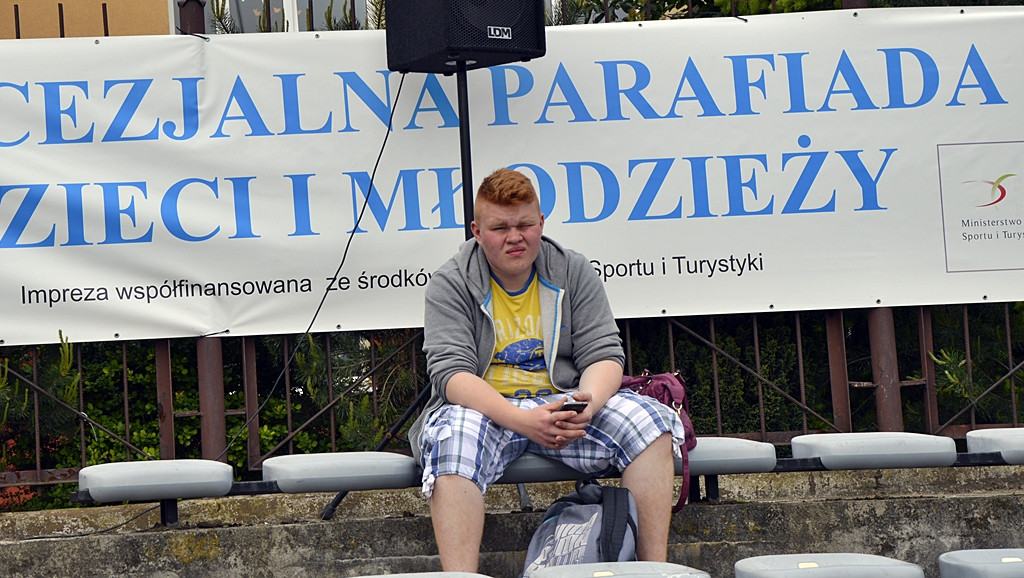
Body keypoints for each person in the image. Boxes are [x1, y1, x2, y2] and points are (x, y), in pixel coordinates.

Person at [408, 167, 686, 572]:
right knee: (455, 438)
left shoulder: (572, 270)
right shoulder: (450, 282)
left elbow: (604, 355)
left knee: (649, 423)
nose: (514, 236)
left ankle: (649, 570)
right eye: (499, 227)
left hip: (561, 404)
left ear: (541, 223)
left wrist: (586, 404)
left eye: (524, 224)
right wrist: (522, 420)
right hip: (488, 409)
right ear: (476, 231)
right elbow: (452, 376)